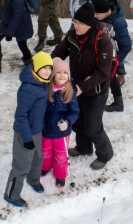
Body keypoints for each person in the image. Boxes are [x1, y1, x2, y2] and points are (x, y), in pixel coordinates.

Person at [51, 3, 114, 170]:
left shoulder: (103, 41)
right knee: (78, 122)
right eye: (74, 21)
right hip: (77, 88)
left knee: (93, 127)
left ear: (89, 24)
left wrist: (82, 87)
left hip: (96, 91)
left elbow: (103, 72)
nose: (75, 25)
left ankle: (105, 154)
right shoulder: (72, 35)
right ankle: (84, 148)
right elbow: (58, 53)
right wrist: (45, 68)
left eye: (79, 23)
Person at [4, 51, 53, 207]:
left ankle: (33, 180)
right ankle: (11, 194)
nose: (48, 71)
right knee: (22, 165)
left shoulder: (43, 82)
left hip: (37, 130)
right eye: (44, 68)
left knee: (37, 158)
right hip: (24, 133)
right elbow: (20, 116)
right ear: (36, 67)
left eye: (50, 68)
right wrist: (26, 139)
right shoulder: (28, 88)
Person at [41, 57, 79, 188]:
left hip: (62, 131)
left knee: (61, 155)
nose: (62, 75)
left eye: (65, 72)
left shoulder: (70, 92)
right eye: (58, 72)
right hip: (46, 129)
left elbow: (75, 112)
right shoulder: (47, 90)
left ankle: (60, 175)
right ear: (53, 75)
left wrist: (68, 122)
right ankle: (45, 167)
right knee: (45, 151)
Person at [92, 0, 132, 112]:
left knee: (106, 77)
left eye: (97, 14)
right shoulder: (98, 17)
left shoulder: (118, 23)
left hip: (112, 56)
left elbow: (127, 45)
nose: (95, 16)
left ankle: (103, 105)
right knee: (110, 77)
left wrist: (116, 61)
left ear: (107, 11)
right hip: (101, 53)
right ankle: (118, 103)